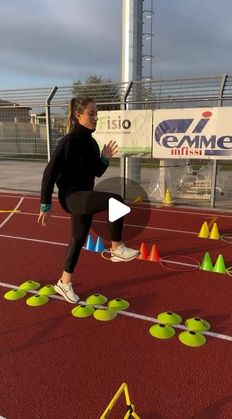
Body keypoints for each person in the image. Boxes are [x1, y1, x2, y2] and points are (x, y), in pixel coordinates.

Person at [38, 96, 140, 304]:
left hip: (84, 196)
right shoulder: (69, 141)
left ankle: (64, 283)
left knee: (78, 238)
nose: (95, 118)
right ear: (78, 115)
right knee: (117, 201)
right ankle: (117, 248)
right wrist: (45, 204)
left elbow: (97, 171)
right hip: (72, 197)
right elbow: (49, 173)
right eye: (91, 113)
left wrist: (104, 157)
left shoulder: (91, 142)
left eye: (96, 114)